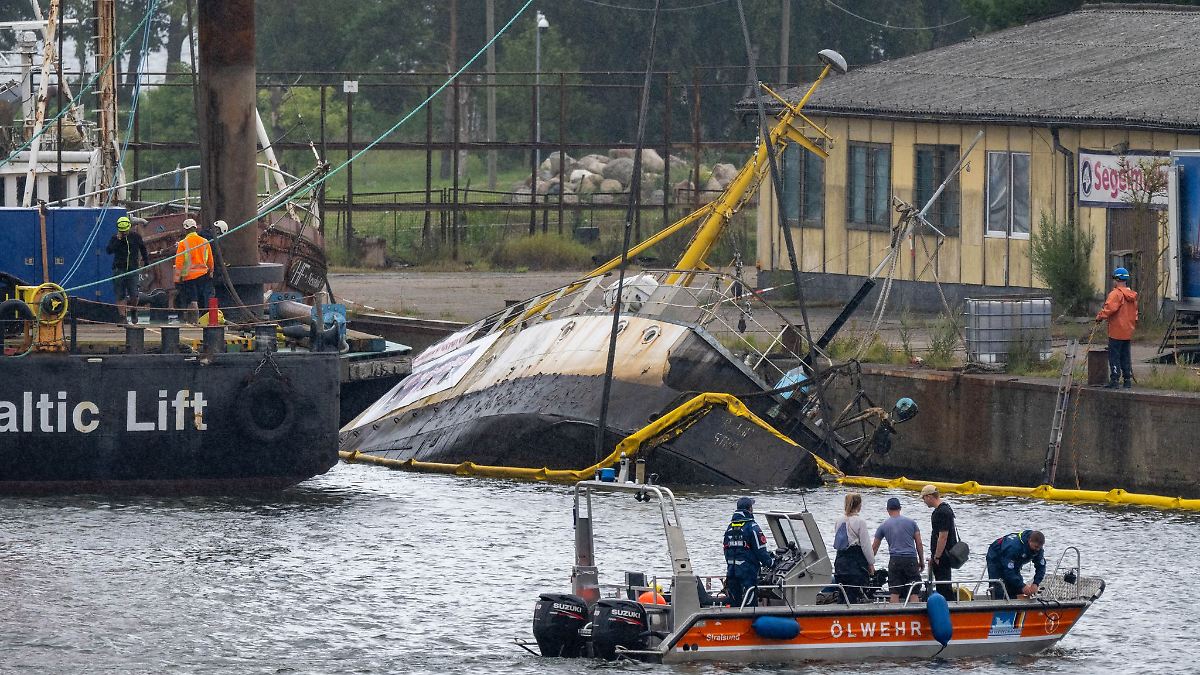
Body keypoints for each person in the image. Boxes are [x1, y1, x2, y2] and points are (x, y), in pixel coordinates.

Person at [723, 496, 773, 607]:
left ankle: (734, 621)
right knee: (750, 604)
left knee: (735, 603)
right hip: (747, 573)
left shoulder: (730, 528)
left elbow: (726, 550)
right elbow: (761, 552)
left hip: (732, 571)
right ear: (749, 509)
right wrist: (771, 563)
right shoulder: (752, 527)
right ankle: (749, 622)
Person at [872, 496, 924, 603]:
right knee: (914, 591)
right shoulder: (912, 523)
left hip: (895, 559)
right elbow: (919, 543)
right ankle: (914, 616)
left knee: (894, 592)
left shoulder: (883, 526)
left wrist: (870, 564)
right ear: (900, 508)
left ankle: (893, 615)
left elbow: (875, 547)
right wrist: (921, 561)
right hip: (911, 559)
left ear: (888, 510)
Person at [1096, 267, 1138, 389]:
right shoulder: (1132, 296)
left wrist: (1099, 317)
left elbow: (1109, 309)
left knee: (1114, 356)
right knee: (1125, 355)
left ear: (1116, 279)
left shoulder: (1115, 294)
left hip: (1116, 331)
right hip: (1128, 331)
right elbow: (1135, 314)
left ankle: (1114, 380)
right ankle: (1127, 380)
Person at [104, 215, 149, 324]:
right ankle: (122, 316)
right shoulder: (115, 238)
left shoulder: (136, 237)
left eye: (126, 230)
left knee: (134, 294)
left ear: (129, 227)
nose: (124, 233)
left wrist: (146, 263)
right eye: (122, 231)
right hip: (119, 270)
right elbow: (109, 250)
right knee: (120, 294)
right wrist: (119, 239)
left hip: (133, 270)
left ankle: (133, 310)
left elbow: (143, 249)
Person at [832, 493, 874, 603]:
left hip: (840, 560)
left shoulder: (838, 520)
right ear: (859, 505)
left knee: (842, 592)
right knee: (853, 593)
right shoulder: (860, 522)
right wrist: (871, 563)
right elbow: (865, 545)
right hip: (854, 562)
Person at [174, 218, 215, 323]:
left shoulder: (183, 243)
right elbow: (210, 260)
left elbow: (179, 263)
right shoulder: (205, 241)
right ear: (195, 228)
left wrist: (177, 279)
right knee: (203, 299)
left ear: (185, 230)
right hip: (203, 275)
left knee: (193, 300)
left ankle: (194, 323)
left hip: (189, 277)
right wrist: (211, 272)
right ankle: (201, 321)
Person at [985, 530, 1046, 600]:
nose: (1037, 549)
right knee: (999, 585)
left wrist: (1036, 583)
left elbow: (1041, 567)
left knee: (1015, 585)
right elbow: (1009, 571)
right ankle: (999, 604)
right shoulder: (1014, 547)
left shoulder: (1038, 549)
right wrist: (1022, 586)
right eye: (1036, 547)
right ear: (1029, 541)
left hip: (1015, 559)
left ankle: (1015, 604)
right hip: (996, 555)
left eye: (1039, 547)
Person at [922, 484, 957, 599]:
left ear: (930, 497)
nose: (923, 501)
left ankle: (947, 607)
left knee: (943, 586)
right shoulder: (946, 508)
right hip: (946, 553)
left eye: (924, 498)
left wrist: (936, 556)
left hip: (943, 556)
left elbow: (943, 537)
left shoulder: (941, 512)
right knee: (943, 583)